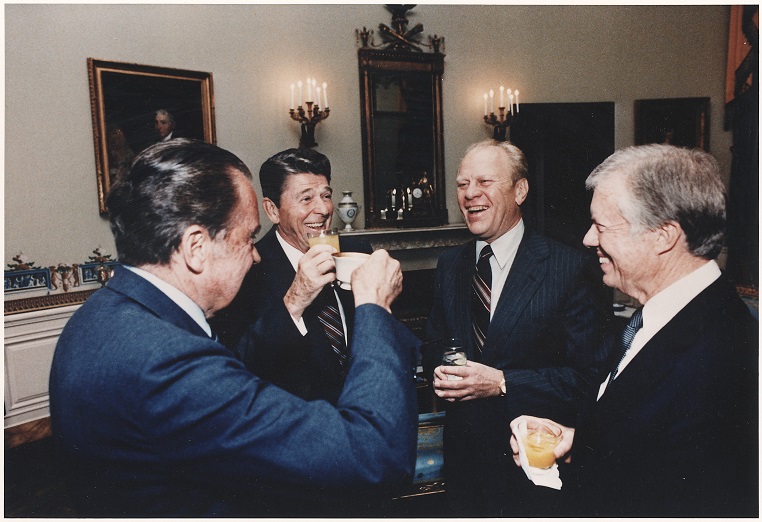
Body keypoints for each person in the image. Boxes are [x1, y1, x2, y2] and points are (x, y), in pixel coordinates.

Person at [48, 139, 420, 517]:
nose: (255, 253)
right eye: (246, 238)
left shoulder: (100, 314)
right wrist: (373, 305)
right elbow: (375, 456)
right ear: (196, 247)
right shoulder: (166, 362)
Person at [509, 144, 758, 517]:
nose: (588, 239)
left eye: (602, 226)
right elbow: (653, 439)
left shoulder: (719, 356)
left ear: (663, 235)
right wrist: (580, 440)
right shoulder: (666, 317)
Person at [425, 139, 612, 516]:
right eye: (462, 185)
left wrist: (503, 382)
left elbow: (591, 378)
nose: (470, 194)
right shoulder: (449, 265)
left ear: (520, 190)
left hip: (533, 474)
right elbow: (434, 346)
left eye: (484, 182)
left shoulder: (567, 269)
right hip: (463, 470)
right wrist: (440, 373)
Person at [211, 148, 373, 404]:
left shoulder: (358, 253)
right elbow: (236, 367)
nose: (322, 209)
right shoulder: (246, 269)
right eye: (306, 199)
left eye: (326, 195)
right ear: (272, 210)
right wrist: (295, 300)